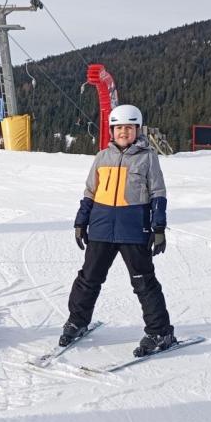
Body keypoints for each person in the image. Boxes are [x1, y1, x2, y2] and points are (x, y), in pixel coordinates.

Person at [63, 104, 175, 357]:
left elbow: (158, 192)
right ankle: (77, 322)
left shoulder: (148, 157)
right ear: (112, 131)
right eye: (119, 128)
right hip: (101, 227)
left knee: (143, 281)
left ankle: (160, 331)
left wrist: (158, 227)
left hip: (133, 228)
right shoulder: (102, 157)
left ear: (137, 129)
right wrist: (81, 221)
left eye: (129, 128)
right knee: (88, 278)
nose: (124, 132)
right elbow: (90, 191)